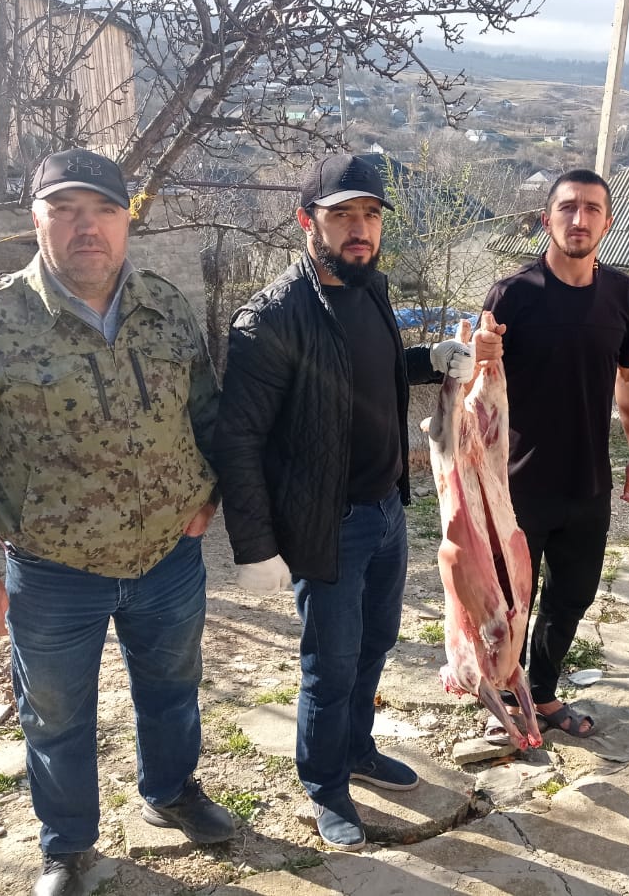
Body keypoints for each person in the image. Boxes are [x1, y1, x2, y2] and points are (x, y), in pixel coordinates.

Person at [0, 148, 234, 896]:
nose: (87, 227)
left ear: (128, 221)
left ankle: (172, 790)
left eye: (103, 211)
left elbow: (207, 410)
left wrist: (208, 494)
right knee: (55, 714)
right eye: (66, 211)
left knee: (173, 685)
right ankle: (69, 846)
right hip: (54, 568)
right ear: (37, 221)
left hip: (167, 557)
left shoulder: (165, 303)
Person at [211, 153, 489, 851]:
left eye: (369, 215)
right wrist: (258, 546)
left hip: (386, 510)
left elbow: (367, 372)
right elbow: (238, 437)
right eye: (342, 216)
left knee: (374, 645)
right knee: (328, 666)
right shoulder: (270, 318)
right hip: (324, 523)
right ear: (309, 222)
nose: (360, 230)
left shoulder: (369, 288)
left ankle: (358, 748)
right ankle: (325, 781)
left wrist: (427, 359)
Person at [480, 168, 629, 739]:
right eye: (568, 207)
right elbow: (481, 386)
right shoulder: (513, 295)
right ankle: (505, 697)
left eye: (592, 209)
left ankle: (545, 695)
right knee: (509, 603)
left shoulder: (625, 294)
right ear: (547, 217)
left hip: (589, 482)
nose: (580, 219)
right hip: (519, 482)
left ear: (606, 220)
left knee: (570, 597)